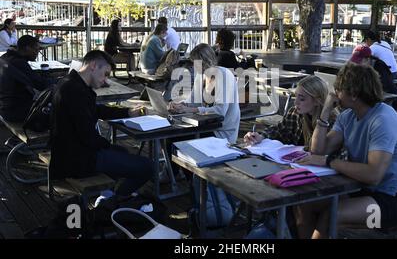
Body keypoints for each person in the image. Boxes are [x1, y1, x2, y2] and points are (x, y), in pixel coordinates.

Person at [295, 63, 397, 238]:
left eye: (338, 89)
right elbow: (318, 151)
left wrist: (329, 161)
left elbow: (374, 175)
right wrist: (326, 110)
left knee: (332, 214)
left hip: (393, 200)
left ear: (354, 94)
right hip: (360, 190)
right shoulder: (347, 116)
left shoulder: (383, 119)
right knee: (304, 204)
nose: (334, 94)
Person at [49, 50, 153, 196]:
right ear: (93, 66)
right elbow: (88, 136)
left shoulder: (70, 83)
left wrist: (127, 112)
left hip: (68, 153)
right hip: (76, 160)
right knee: (148, 166)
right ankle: (114, 201)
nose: (105, 80)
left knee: (122, 152)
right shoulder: (75, 91)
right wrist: (107, 146)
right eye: (105, 74)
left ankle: (108, 194)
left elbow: (95, 110)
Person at [170, 43, 240, 143]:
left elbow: (220, 111)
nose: (194, 67)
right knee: (172, 137)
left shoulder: (224, 76)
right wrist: (180, 104)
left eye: (196, 63)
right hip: (206, 126)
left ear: (206, 61)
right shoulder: (201, 75)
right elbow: (193, 101)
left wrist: (189, 109)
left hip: (222, 132)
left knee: (175, 139)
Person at [244, 75, 333, 151]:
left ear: (317, 101)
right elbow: (279, 130)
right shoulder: (295, 113)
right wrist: (260, 136)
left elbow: (323, 151)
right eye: (295, 97)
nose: (295, 102)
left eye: (302, 99)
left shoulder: (330, 120)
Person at [0, 35, 52, 122]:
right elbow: (41, 85)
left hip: (4, 107)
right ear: (27, 48)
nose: (37, 52)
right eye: (36, 49)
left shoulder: (5, 57)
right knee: (58, 109)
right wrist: (62, 80)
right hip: (15, 112)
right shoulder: (19, 63)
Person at [350, 45, 397, 110]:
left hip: (390, 100)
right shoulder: (361, 67)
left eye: (359, 61)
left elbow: (383, 86)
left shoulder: (379, 66)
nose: (356, 64)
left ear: (368, 59)